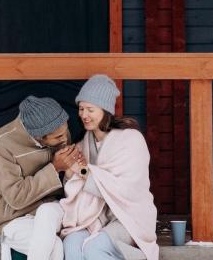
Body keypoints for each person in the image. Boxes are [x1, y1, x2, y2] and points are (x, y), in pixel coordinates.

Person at [60, 74, 159, 260]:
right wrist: (68, 172)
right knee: (72, 244)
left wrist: (81, 170)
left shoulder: (130, 140)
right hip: (93, 217)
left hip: (128, 218)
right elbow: (74, 185)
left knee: (94, 248)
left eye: (90, 109)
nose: (83, 115)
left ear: (105, 110)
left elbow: (126, 190)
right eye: (81, 109)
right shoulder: (83, 143)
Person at [0, 95, 84, 260]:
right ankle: (10, 242)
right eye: (58, 137)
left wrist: (72, 168)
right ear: (39, 136)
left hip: (50, 209)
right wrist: (54, 168)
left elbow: (69, 181)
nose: (64, 138)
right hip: (14, 217)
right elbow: (15, 196)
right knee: (55, 246)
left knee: (48, 217)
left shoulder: (59, 132)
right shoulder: (2, 144)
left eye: (64, 131)